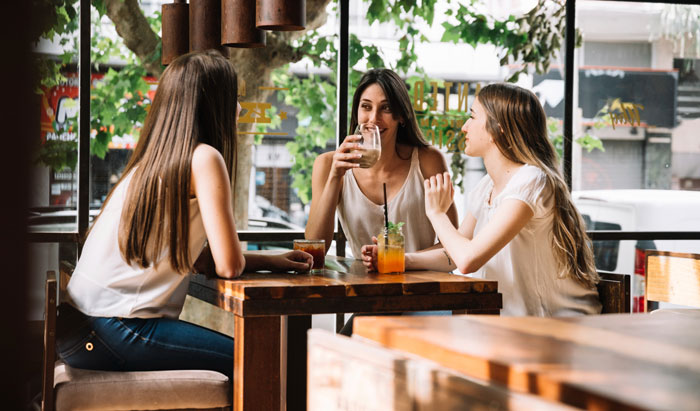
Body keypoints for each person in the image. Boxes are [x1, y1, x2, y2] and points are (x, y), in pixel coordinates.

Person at [56, 51, 313, 381]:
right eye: (233, 98)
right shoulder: (204, 158)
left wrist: (274, 260)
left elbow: (201, 261)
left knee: (259, 360)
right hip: (113, 329)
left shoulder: (149, 164)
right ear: (214, 105)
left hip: (83, 330)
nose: (238, 109)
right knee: (264, 363)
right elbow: (229, 266)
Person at [362, 82, 601, 316]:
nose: (465, 127)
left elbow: (467, 260)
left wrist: (436, 213)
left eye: (473, 117)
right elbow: (453, 256)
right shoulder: (486, 186)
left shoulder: (531, 181)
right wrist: (396, 260)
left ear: (499, 129)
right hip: (510, 327)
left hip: (557, 326)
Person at [305, 68, 458, 258]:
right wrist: (335, 177)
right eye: (366, 107)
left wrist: (401, 261)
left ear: (401, 115)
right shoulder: (328, 165)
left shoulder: (428, 160)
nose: (373, 119)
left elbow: (453, 246)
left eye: (386, 108)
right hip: (361, 286)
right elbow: (313, 248)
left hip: (422, 284)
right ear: (357, 111)